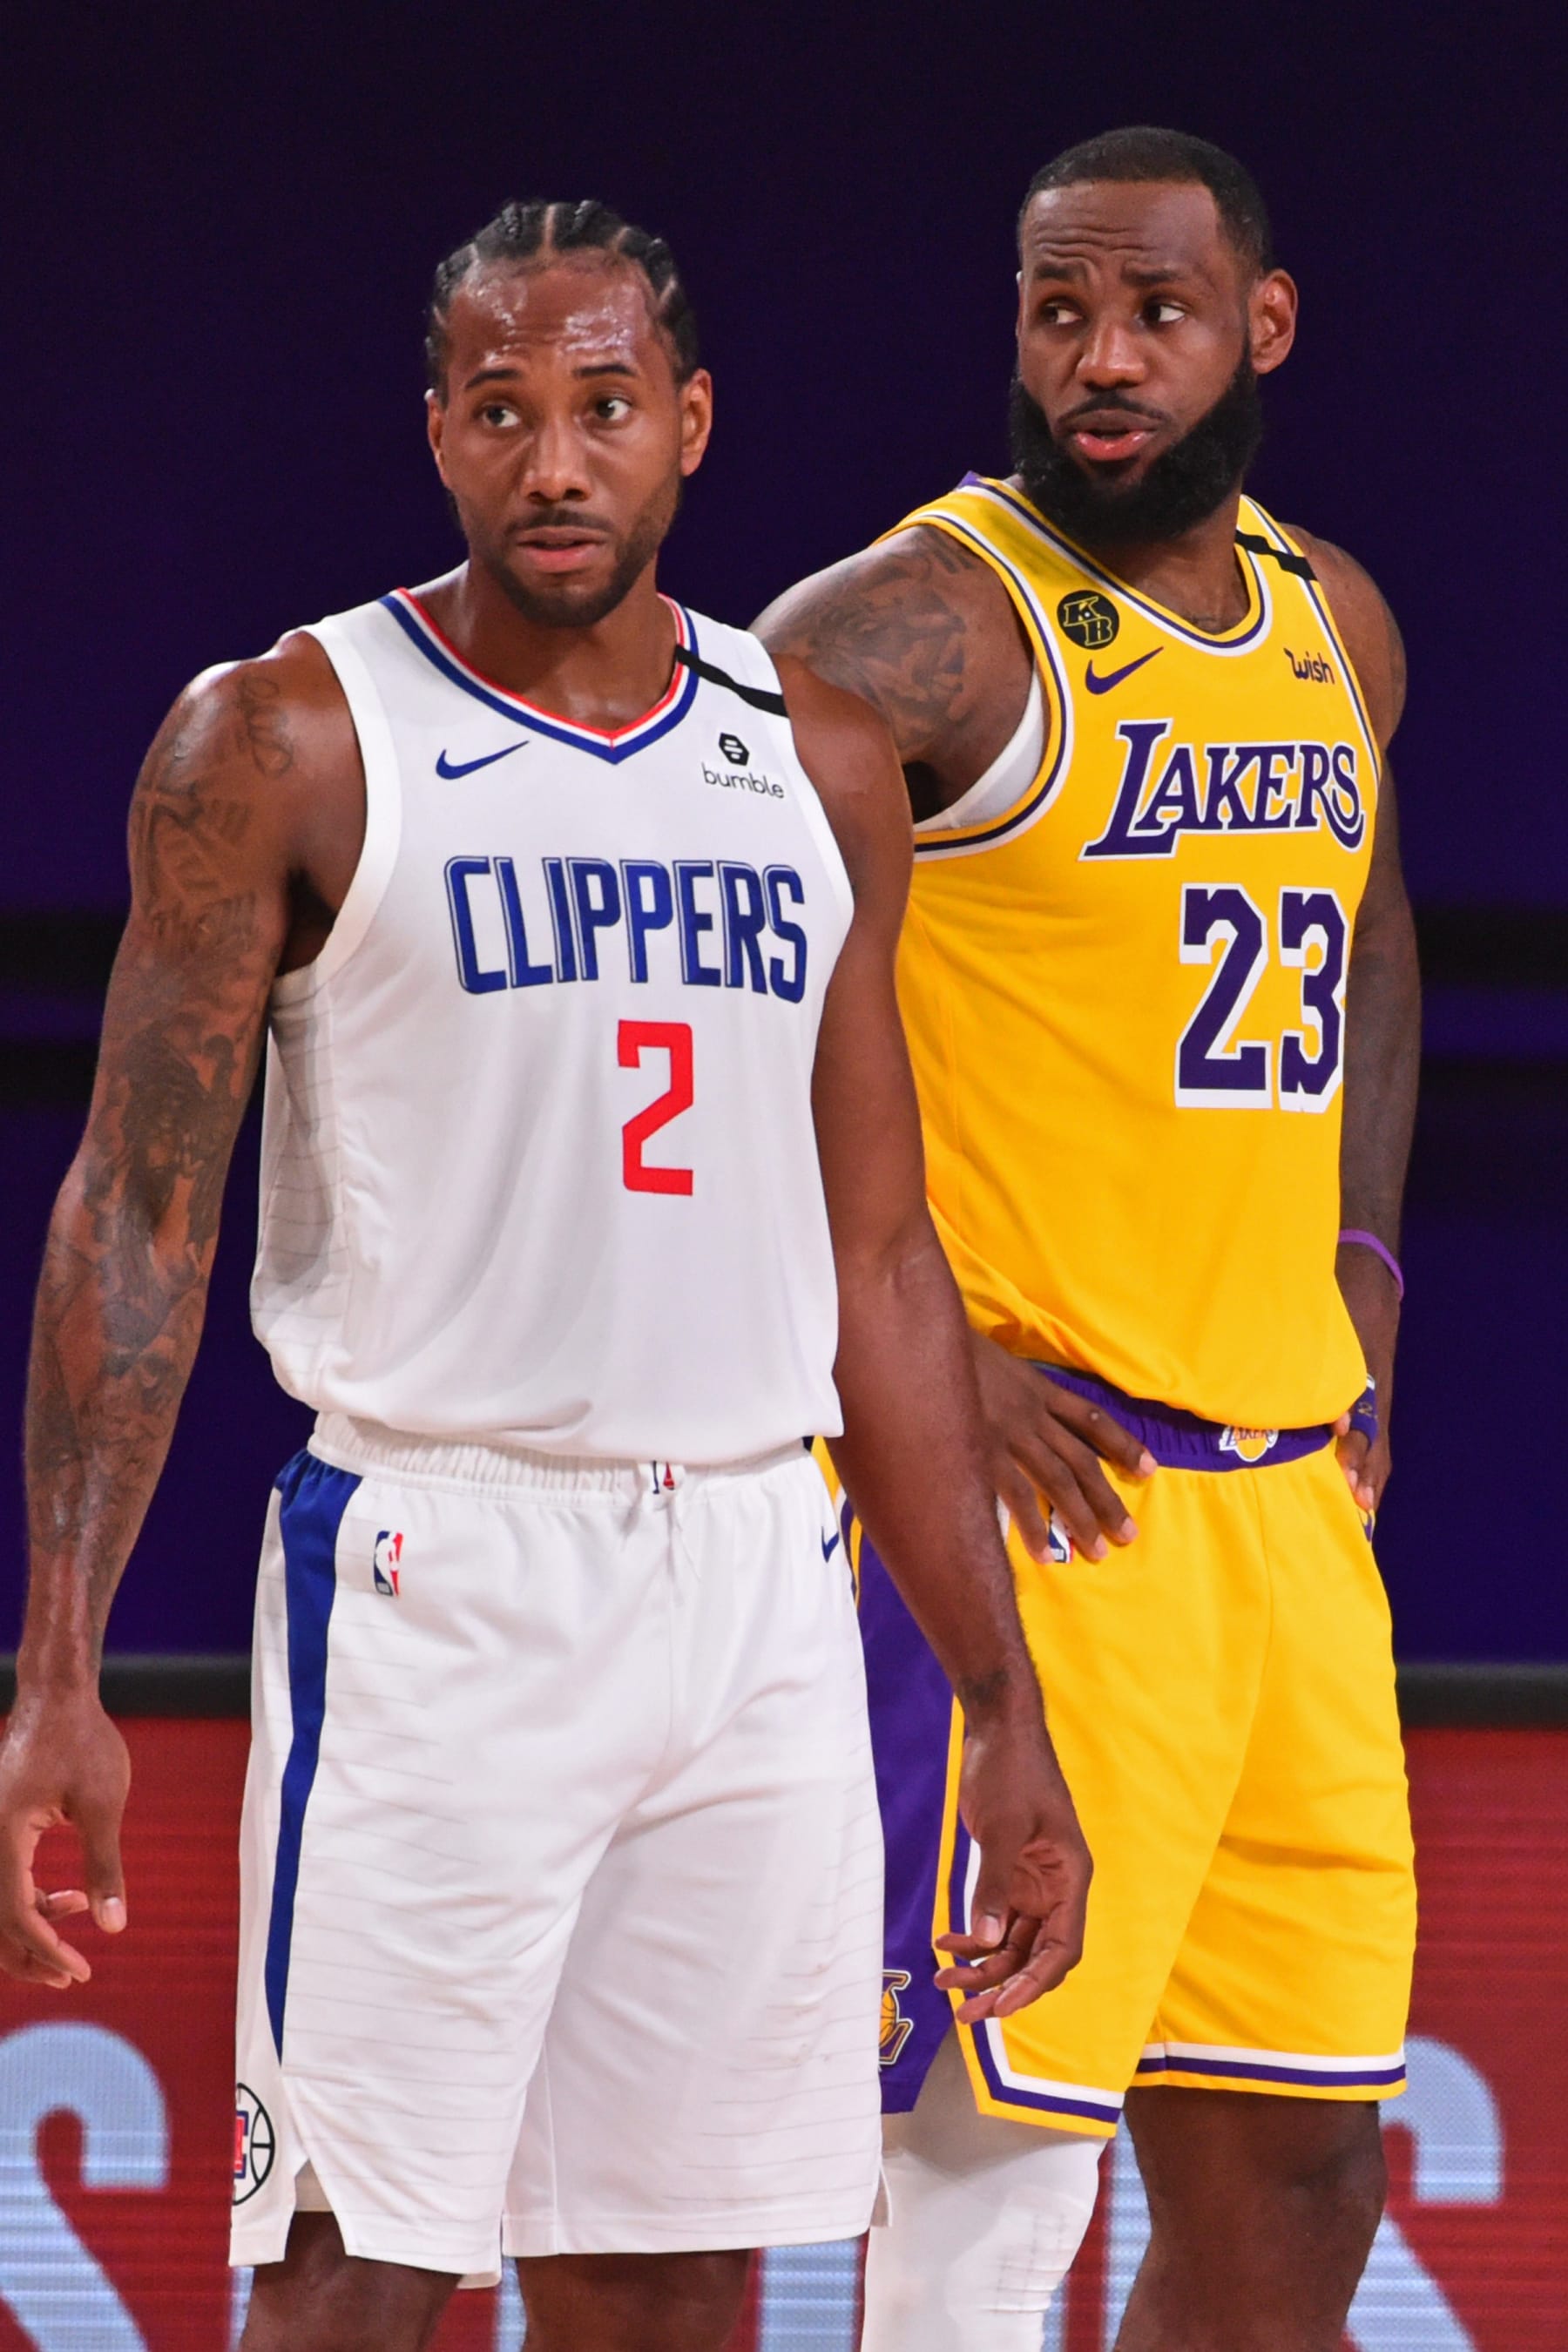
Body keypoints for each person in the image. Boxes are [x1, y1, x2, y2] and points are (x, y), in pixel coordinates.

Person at [0, 199, 1090, 2352]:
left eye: (603, 410)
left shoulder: (819, 761)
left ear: (690, 424)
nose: (557, 464)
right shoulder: (288, 739)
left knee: (680, 2282)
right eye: (505, 415)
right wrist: (57, 1662)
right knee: (349, 2278)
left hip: (764, 1578)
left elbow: (879, 1252)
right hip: (442, 1577)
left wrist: (1001, 1695)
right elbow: (136, 1208)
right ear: (438, 436)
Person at [759, 126, 1419, 2352]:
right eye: (1060, 313)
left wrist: (1370, 1271)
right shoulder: (915, 625)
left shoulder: (1334, 622)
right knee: (982, 2207)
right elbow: (675, 989)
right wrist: (903, 1363)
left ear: (1266, 325)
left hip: (1287, 1524)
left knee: (1303, 2178)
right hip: (1050, 1519)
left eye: (1153, 311)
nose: (1103, 361)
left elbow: (1372, 935)